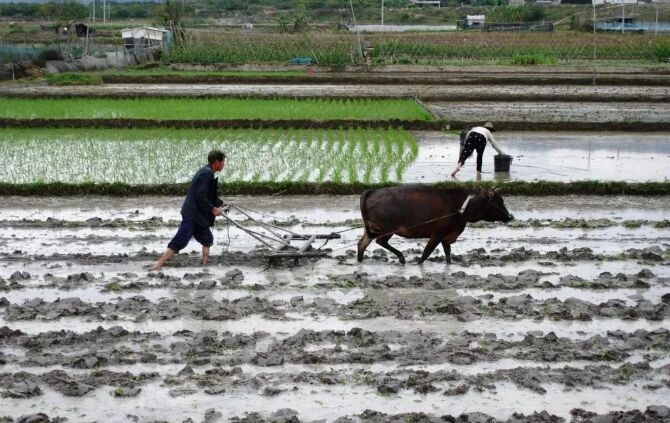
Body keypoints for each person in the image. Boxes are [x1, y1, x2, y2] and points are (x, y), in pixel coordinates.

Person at [151, 150, 228, 271]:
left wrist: (221, 203)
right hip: (192, 215)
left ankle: (204, 266)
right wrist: (213, 209)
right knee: (180, 240)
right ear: (217, 162)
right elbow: (200, 196)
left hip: (198, 216)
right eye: (223, 162)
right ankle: (158, 265)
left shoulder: (207, 171)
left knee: (207, 239)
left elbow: (208, 195)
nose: (224, 164)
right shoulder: (207, 173)